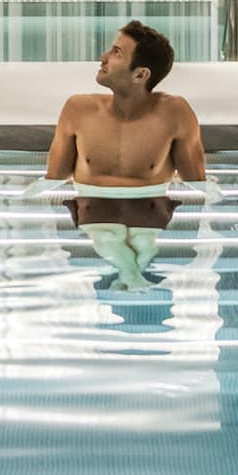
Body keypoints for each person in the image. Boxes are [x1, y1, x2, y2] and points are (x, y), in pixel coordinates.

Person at [42, 20, 206, 290]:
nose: (103, 57)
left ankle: (129, 276)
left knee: (142, 240)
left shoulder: (175, 113)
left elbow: (196, 183)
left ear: (140, 75)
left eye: (116, 53)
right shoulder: (78, 110)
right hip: (93, 206)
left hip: (149, 207)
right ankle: (133, 278)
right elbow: (54, 179)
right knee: (108, 236)